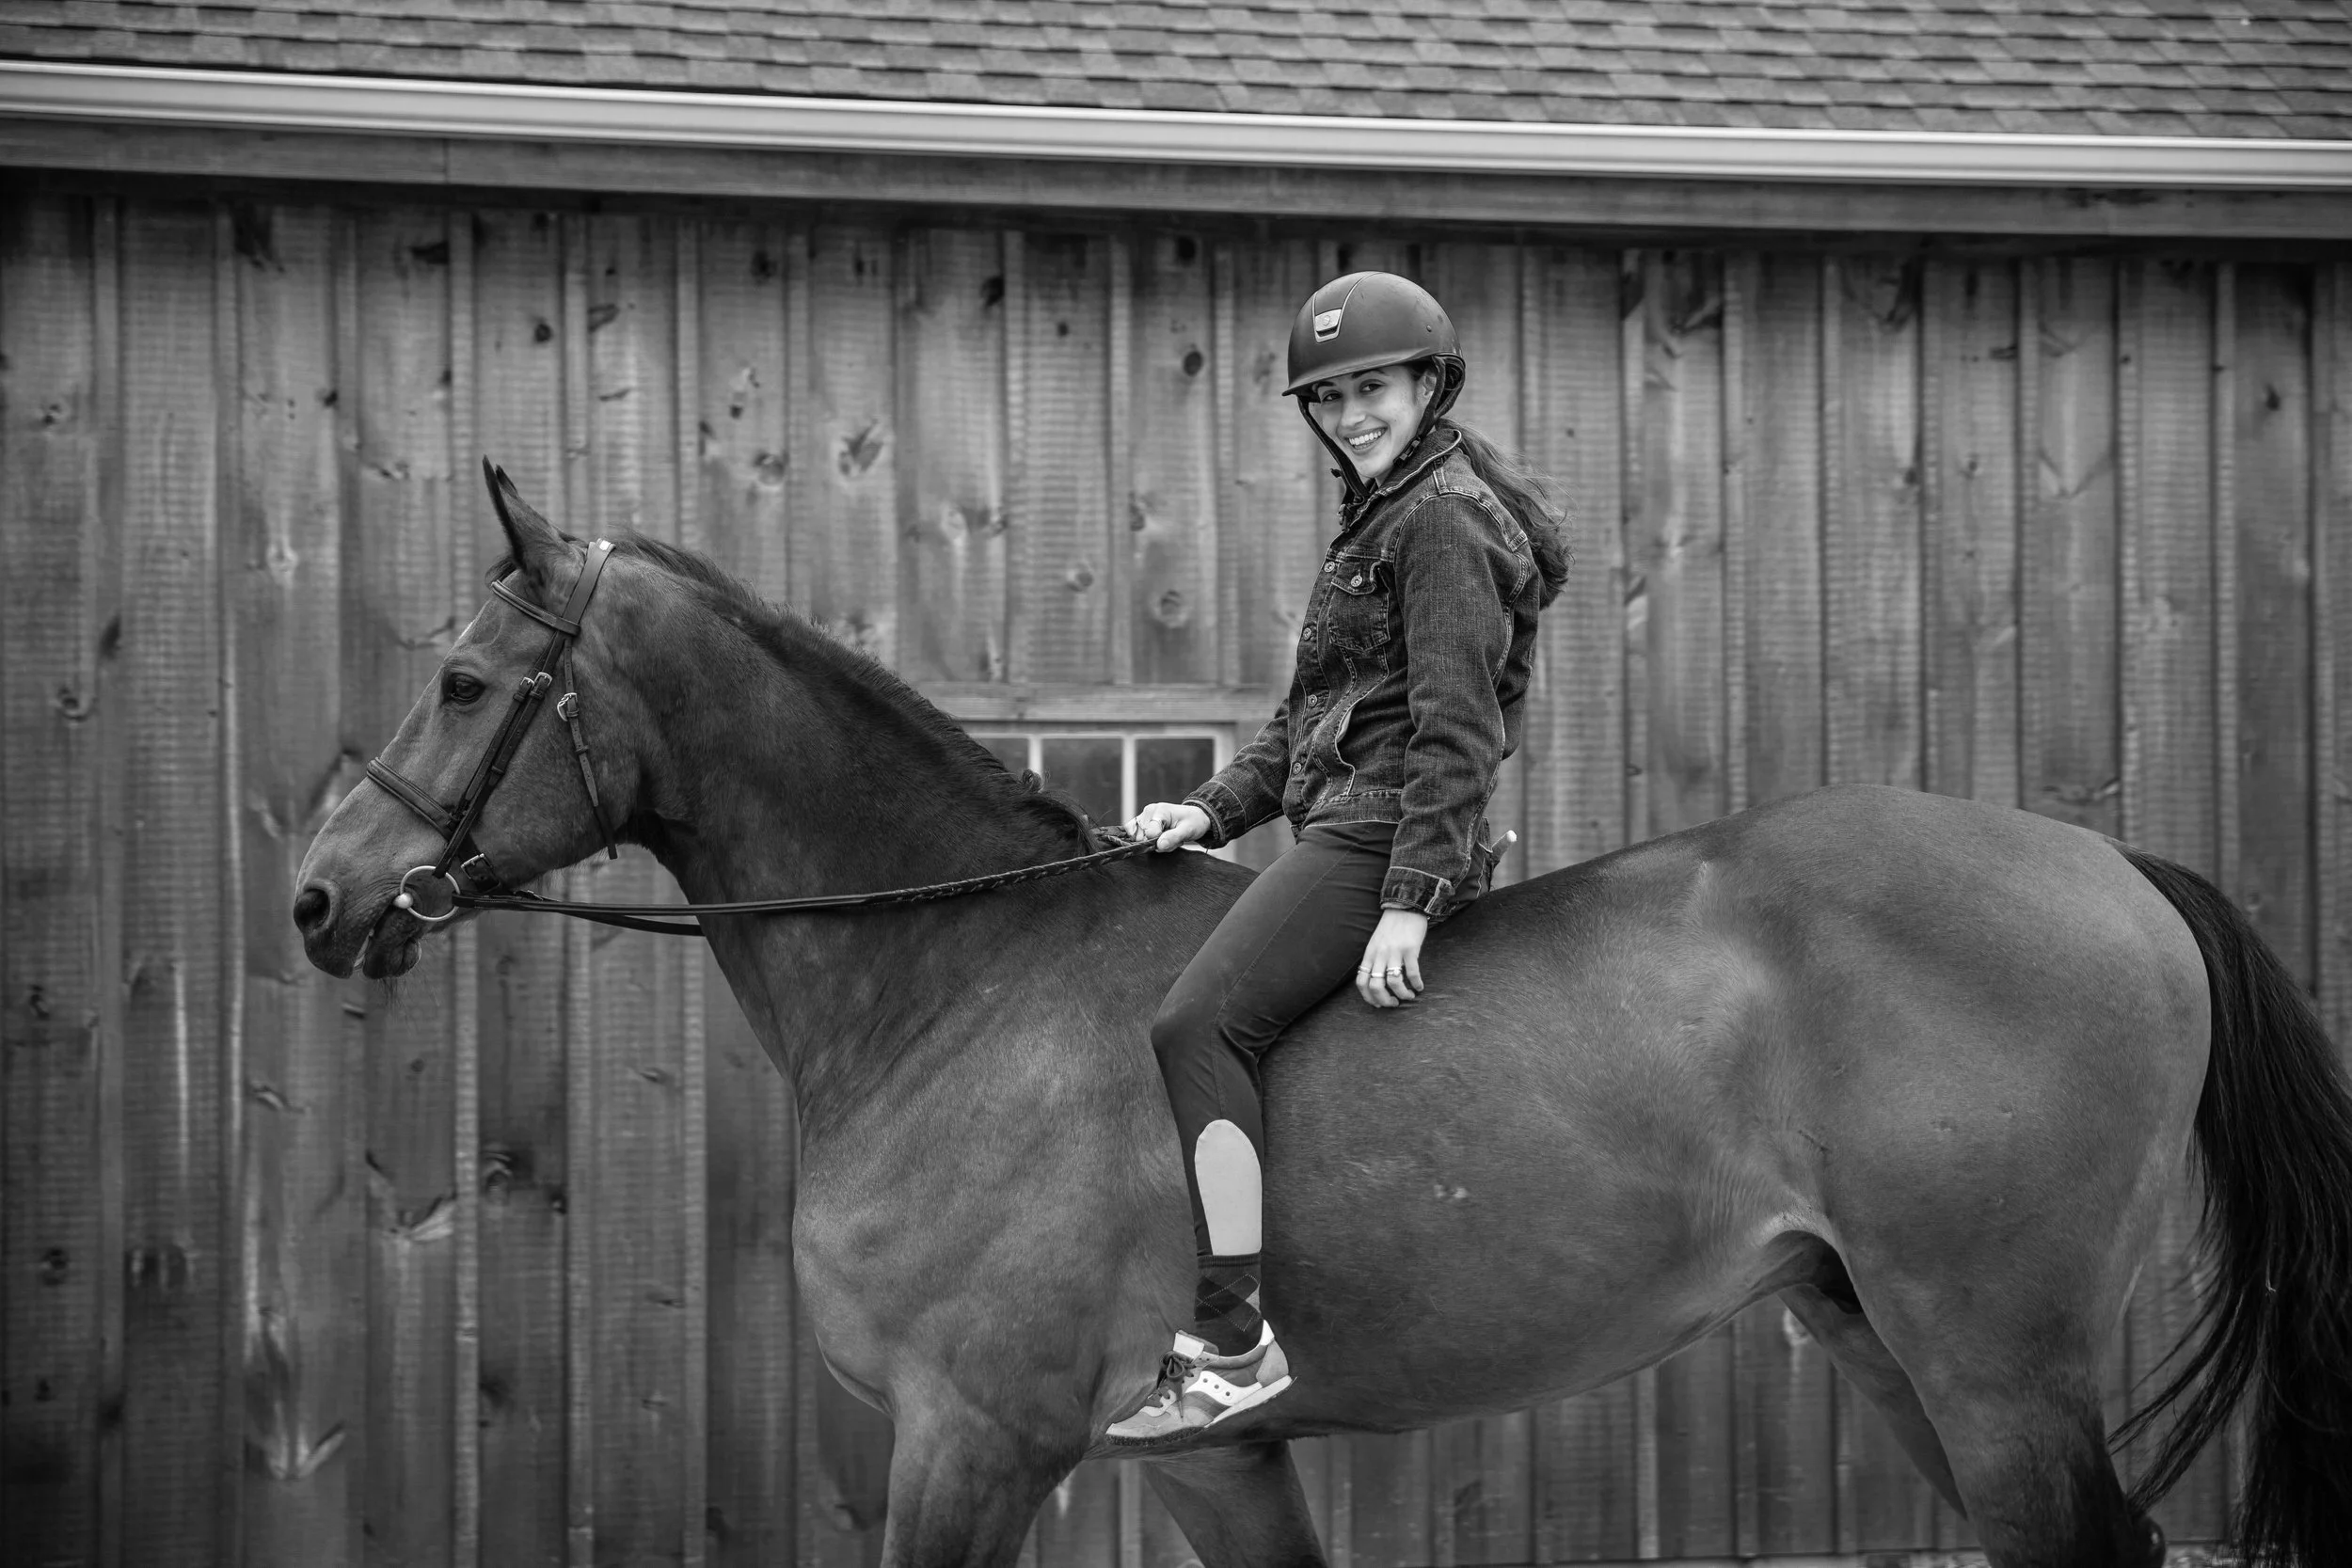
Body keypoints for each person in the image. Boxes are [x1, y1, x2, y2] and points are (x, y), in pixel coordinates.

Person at [1105, 271, 1573, 1443]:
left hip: (1383, 832)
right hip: (1350, 819)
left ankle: (1231, 1344)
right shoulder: (1383, 510)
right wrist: (1208, 811)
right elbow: (1313, 718)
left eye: (1372, 388)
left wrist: (1411, 898)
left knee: (1195, 1026)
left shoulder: (1442, 518)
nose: (1351, 413)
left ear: (1428, 383)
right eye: (1329, 396)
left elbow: (1457, 728)